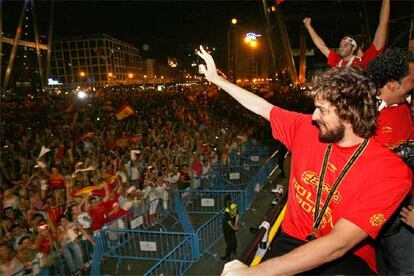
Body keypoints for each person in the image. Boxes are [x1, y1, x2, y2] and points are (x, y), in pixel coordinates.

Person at [197, 45, 411, 275]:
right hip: (291, 240)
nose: (314, 116)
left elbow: (339, 243)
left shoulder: (391, 172)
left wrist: (252, 273)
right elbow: (263, 108)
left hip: (346, 256)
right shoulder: (305, 129)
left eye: (321, 110)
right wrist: (216, 79)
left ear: (348, 113)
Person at [366, 48, 414, 275]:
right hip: (367, 207)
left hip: (404, 210)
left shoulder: (405, 107)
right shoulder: (360, 111)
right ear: (392, 84)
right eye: (410, 81)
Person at [303, 0, 389, 69]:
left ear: (354, 48)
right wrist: (309, 27)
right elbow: (321, 46)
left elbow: (383, 24)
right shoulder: (337, 61)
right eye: (341, 44)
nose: (341, 47)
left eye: (346, 45)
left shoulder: (364, 61)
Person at [221, 195, 239, 262]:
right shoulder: (234, 205)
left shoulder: (226, 210)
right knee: (234, 238)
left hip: (227, 228)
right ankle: (234, 251)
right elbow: (237, 215)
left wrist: (233, 227)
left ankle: (228, 256)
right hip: (233, 224)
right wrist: (235, 225)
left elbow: (228, 221)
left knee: (228, 242)